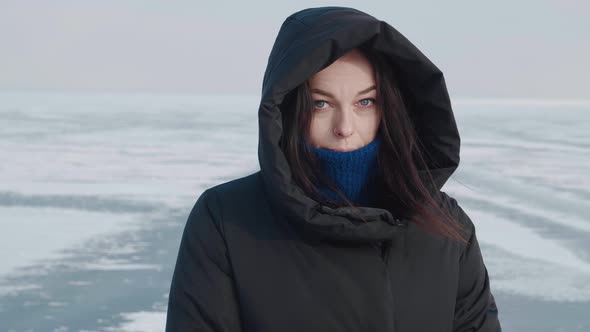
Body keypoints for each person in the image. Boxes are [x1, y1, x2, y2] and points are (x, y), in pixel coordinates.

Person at [165, 6, 501, 332]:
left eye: (365, 102)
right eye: (321, 104)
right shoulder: (226, 218)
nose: (345, 127)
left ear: (391, 108)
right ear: (286, 109)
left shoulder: (446, 226)